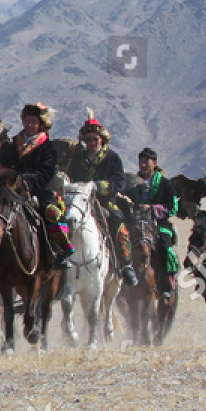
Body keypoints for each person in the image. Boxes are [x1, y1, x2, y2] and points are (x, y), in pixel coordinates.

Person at [0, 102, 72, 268]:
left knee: (51, 212)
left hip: (38, 189)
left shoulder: (47, 147)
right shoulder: (12, 143)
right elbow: (5, 164)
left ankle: (59, 250)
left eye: (34, 121)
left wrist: (23, 180)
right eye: (27, 120)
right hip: (11, 188)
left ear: (40, 124)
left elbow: (46, 172)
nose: (30, 125)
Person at [68, 114, 137, 285]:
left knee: (116, 222)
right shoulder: (78, 159)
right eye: (88, 139)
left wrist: (97, 186)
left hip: (105, 201)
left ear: (102, 139)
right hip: (80, 201)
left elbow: (119, 181)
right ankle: (61, 259)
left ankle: (125, 264)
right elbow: (71, 178)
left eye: (95, 139)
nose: (92, 142)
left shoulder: (112, 158)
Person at [130, 147, 179, 300]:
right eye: (141, 162)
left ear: (154, 163)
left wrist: (151, 208)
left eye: (146, 162)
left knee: (164, 247)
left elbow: (172, 208)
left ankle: (166, 282)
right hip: (136, 223)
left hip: (158, 225)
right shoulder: (132, 182)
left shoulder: (166, 184)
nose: (143, 165)